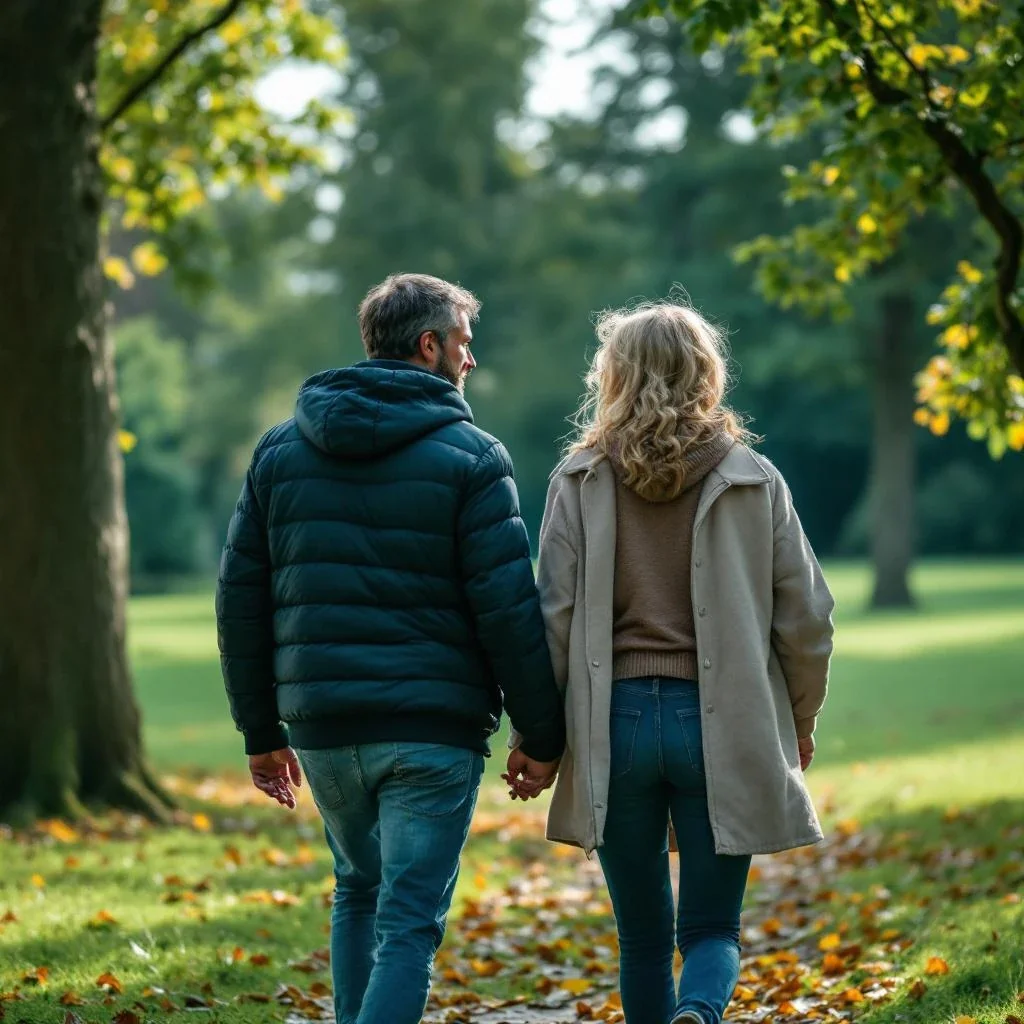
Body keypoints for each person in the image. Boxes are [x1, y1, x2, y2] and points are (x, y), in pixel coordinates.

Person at [216, 273, 565, 1024]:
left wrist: (260, 733)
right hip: (431, 732)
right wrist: (542, 734)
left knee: (358, 891)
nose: (471, 362)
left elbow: (239, 600)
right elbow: (507, 610)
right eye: (464, 346)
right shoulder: (475, 457)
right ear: (430, 346)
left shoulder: (280, 451)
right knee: (407, 921)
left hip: (324, 727)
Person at [510, 300, 835, 1024]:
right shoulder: (756, 479)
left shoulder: (578, 477)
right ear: (707, 375)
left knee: (644, 939)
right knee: (714, 929)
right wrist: (800, 719)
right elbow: (808, 617)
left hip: (614, 726)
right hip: (720, 725)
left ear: (615, 377)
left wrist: (537, 742)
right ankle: (700, 1012)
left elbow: (551, 622)